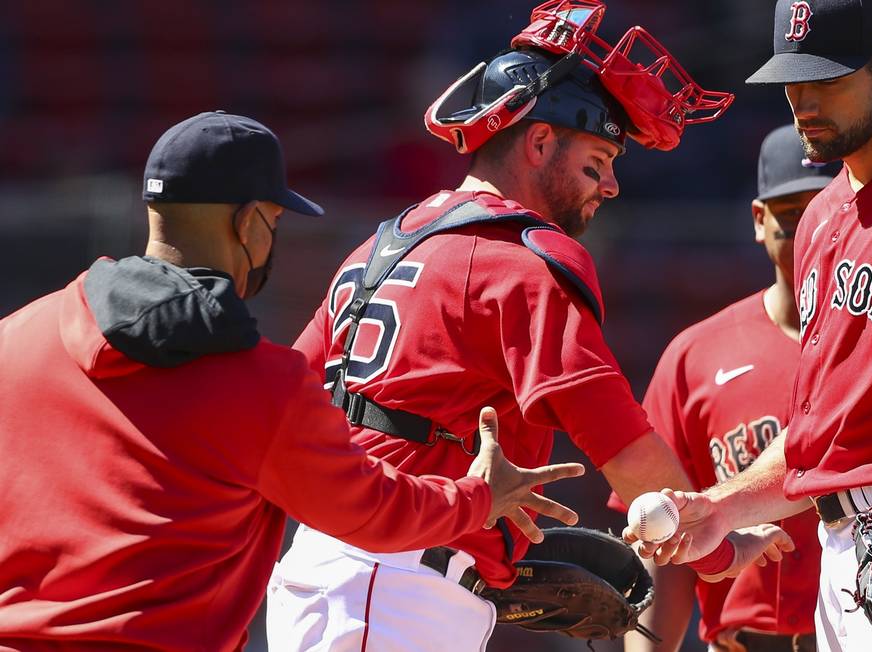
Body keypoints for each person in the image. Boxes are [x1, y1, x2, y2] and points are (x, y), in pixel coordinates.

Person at [266, 3, 793, 651]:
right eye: (598, 160)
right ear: (540, 142)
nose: (611, 185)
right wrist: (718, 543)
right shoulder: (520, 260)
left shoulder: (382, 244)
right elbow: (623, 450)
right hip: (395, 588)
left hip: (340, 571)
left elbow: (286, 410)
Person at [0, 111, 588, 651]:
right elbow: (374, 511)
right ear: (252, 222)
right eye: (275, 220)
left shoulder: (16, 338)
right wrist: (479, 498)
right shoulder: (258, 385)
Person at [627, 1, 872, 651]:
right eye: (794, 83)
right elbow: (821, 432)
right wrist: (721, 507)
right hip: (841, 534)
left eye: (827, 80)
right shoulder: (821, 218)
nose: (804, 103)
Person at [617, 125, 838, 652]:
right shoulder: (695, 356)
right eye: (792, 212)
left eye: (824, 206)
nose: (809, 226)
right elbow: (665, 544)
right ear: (760, 221)